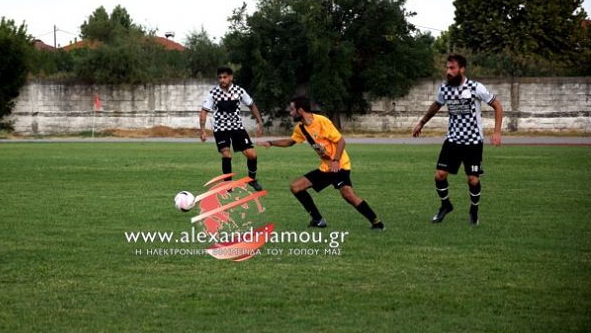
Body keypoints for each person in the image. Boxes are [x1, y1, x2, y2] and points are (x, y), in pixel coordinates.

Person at [258, 96, 385, 230]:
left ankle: (377, 223)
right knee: (296, 187)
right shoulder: (300, 128)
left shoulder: (322, 121)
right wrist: (270, 143)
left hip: (339, 165)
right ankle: (318, 220)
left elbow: (341, 141)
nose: (290, 112)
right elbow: (290, 142)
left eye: (292, 109)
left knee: (348, 195)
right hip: (326, 168)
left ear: (300, 110)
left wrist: (336, 161)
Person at [412, 53, 503, 226]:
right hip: (453, 140)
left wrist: (497, 131)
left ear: (462, 69)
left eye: (452, 68)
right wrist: (421, 123)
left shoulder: (476, 87)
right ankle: (445, 205)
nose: (448, 71)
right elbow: (436, 106)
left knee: (473, 180)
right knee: (439, 175)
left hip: (473, 142)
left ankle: (474, 210)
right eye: (447, 67)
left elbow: (497, 106)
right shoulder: (445, 88)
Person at [200, 66, 264, 191]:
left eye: (224, 77)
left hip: (237, 127)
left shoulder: (239, 91)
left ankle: (252, 179)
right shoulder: (213, 93)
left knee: (251, 154)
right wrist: (202, 130)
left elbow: (251, 105)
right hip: (220, 128)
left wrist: (259, 121)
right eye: (219, 78)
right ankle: (228, 184)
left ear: (231, 77)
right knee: (226, 154)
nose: (222, 80)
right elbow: (204, 111)